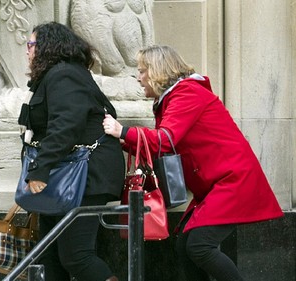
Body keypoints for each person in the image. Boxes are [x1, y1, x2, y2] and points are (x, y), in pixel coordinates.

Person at [102, 45, 284, 281]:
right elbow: (161, 145)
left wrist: (123, 131)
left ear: (157, 71)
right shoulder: (172, 98)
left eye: (142, 70)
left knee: (199, 245)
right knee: (187, 246)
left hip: (232, 180)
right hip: (216, 184)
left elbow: (165, 140)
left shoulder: (187, 93)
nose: (139, 78)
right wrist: (124, 140)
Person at [18, 22, 125, 281]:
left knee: (77, 256)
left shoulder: (64, 75)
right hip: (67, 175)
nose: (27, 51)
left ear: (47, 47)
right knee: (50, 257)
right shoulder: (56, 76)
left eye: (31, 45)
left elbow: (65, 126)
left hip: (86, 175)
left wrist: (40, 170)